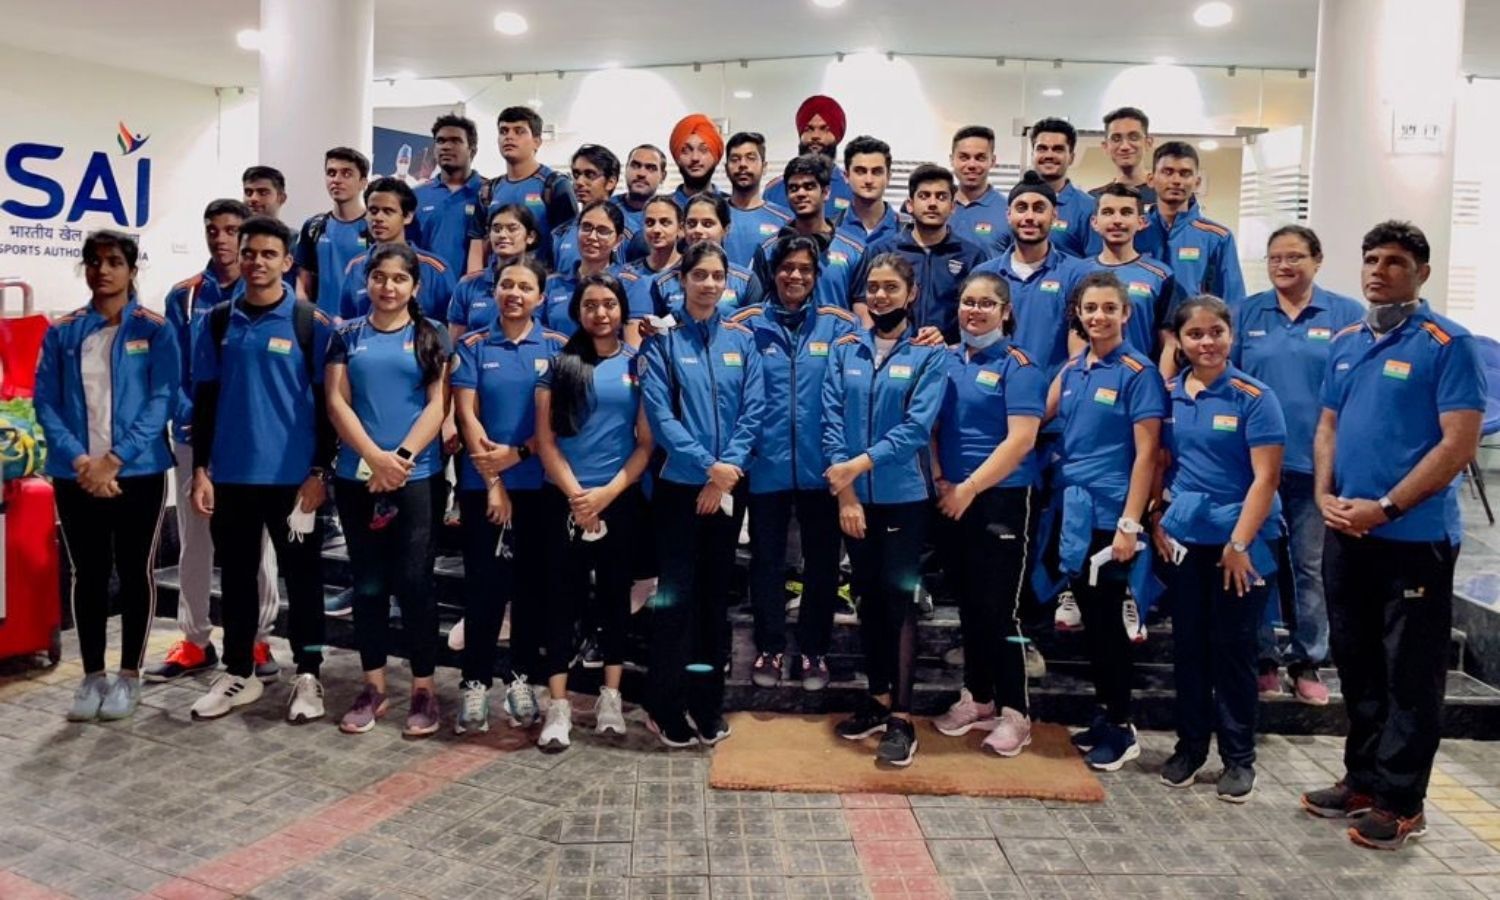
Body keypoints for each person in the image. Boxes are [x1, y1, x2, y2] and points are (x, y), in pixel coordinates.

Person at [1303, 221, 1486, 851]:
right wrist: (1324, 494)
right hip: (1347, 530)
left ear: (1421, 273)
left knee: (1409, 672)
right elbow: (1327, 426)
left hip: (1414, 539)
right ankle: (1363, 780)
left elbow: (1458, 444)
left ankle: (1403, 801)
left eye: (1395, 262)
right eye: (1371, 259)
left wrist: (1384, 507)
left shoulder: (1448, 344)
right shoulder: (1347, 340)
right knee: (1357, 662)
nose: (1379, 271)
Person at [188, 216, 337, 723]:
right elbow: (205, 400)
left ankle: (309, 674)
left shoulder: (311, 323)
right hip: (231, 476)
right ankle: (238, 672)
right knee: (236, 579)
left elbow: (329, 406)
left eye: (268, 254)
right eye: (249, 252)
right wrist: (201, 469)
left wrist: (320, 472)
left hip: (293, 481)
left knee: (304, 579)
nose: (256, 262)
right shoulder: (217, 321)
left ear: (287, 262)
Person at [36, 230, 179, 722]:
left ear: (132, 270)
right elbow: (46, 402)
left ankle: (129, 676)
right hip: (76, 475)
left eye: (114, 261)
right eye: (94, 261)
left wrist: (114, 459)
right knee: (89, 573)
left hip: (137, 472)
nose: (103, 270)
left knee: (135, 571)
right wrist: (81, 462)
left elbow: (162, 399)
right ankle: (92, 675)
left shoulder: (154, 330)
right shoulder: (63, 331)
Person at [1152, 294, 1285, 803]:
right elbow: (1161, 462)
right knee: (1189, 647)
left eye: (1216, 332)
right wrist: (1157, 519)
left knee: (1234, 650)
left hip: (1243, 542)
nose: (1206, 342)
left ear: (1231, 335)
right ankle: (1190, 748)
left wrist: (1239, 542)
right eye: (1195, 334)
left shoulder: (1255, 396)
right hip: (1187, 539)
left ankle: (1238, 758)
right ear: (1179, 341)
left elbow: (1266, 478)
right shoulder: (1168, 396)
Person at [147, 200, 281, 684]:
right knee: (195, 542)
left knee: (258, 544)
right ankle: (194, 640)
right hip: (195, 440)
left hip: (252, 445)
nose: (221, 239)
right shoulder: (184, 296)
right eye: (213, 230)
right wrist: (189, 417)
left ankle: (258, 638)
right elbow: (170, 369)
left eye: (231, 230)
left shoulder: (269, 294)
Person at [1039, 272, 1167, 770]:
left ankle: (1122, 725)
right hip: (1075, 510)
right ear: (1078, 313)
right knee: (1093, 622)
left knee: (1111, 624)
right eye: (1090, 308)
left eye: (1109, 308)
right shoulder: (1074, 369)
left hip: (1113, 515)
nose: (1099, 316)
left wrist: (1131, 524)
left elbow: (1148, 454)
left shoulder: (1139, 372)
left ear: (1126, 313)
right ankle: (1104, 714)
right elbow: (1038, 418)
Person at [1231, 225, 1363, 705]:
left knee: (1310, 566)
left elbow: (1357, 390)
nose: (1283, 266)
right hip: (1255, 468)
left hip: (1317, 466)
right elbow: (1231, 382)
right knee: (1259, 563)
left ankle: (1307, 660)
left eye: (1294, 257)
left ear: (1317, 260)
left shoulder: (1347, 315)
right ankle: (1263, 657)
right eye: (1275, 258)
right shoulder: (1246, 313)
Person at [640, 242, 765, 748]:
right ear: (682, 280)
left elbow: (753, 410)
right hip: (679, 488)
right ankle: (664, 704)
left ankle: (705, 703)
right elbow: (661, 418)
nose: (709, 284)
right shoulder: (662, 343)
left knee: (714, 601)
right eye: (700, 275)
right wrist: (706, 467)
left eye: (717, 276)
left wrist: (722, 474)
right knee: (676, 599)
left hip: (728, 487)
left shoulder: (742, 341)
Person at [823, 253, 945, 767]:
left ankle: (902, 717)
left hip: (903, 498)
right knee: (868, 600)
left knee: (898, 603)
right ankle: (876, 700)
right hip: (855, 500)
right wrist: (847, 492)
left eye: (891, 287)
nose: (880, 296)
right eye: (873, 287)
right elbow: (830, 419)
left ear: (911, 294)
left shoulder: (929, 353)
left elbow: (917, 428)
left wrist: (859, 465)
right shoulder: (846, 348)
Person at [325, 244, 452, 736]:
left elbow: (438, 404)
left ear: (414, 286)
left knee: (415, 582)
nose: (388, 287)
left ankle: (423, 689)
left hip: (416, 476)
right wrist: (373, 459)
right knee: (369, 583)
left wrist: (400, 459)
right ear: (368, 282)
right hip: (357, 476)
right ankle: (373, 685)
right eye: (379, 277)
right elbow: (337, 402)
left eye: (399, 279)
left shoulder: (431, 334)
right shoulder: (346, 336)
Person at [925, 271, 1045, 757]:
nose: (975, 311)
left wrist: (970, 488)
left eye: (986, 303)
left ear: (1005, 311)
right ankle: (978, 698)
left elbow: (1022, 439)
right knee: (970, 605)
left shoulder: (1020, 366)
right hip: (950, 496)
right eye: (968, 302)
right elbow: (932, 426)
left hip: (999, 499)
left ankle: (1016, 713)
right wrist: (940, 480)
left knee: (999, 609)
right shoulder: (946, 360)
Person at [732, 235, 859, 692]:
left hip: (823, 468)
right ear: (773, 272)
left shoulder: (840, 326)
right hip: (764, 466)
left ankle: (813, 651)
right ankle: (768, 646)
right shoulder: (745, 324)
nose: (795, 276)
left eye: (805, 268)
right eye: (787, 267)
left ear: (817, 275)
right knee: (766, 561)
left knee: (822, 564)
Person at [534, 274, 654, 750]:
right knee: (559, 601)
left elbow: (645, 443)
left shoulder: (638, 364)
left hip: (618, 498)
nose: (600, 313)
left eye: (609, 304)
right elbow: (546, 442)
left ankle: (611, 697)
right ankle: (558, 705)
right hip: (563, 499)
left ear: (622, 309)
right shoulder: (559, 365)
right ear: (577, 311)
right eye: (590, 305)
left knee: (614, 600)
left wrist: (606, 494)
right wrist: (577, 497)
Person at [451, 257, 562, 734]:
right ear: (494, 291)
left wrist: (518, 454)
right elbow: (466, 414)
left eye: (525, 287)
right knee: (484, 588)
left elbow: (560, 420)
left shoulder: (557, 347)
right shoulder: (473, 345)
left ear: (541, 296)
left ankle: (521, 679)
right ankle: (474, 683)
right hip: (484, 488)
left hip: (539, 486)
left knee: (531, 590)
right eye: (506, 285)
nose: (514, 293)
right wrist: (495, 481)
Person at [973, 171, 1093, 379]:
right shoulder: (983, 275)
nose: (1029, 217)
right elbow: (974, 342)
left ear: (1054, 215)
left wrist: (1055, 396)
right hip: (992, 392)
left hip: (1053, 393)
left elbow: (1081, 352)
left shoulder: (1078, 275)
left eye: (1039, 209)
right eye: (1021, 208)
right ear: (1008, 214)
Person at [856, 164, 989, 344]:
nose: (932, 203)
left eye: (941, 197)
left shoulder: (972, 257)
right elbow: (862, 302)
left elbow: (981, 313)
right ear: (910, 205)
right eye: (924, 196)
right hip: (893, 351)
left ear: (952, 206)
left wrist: (955, 343)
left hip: (949, 353)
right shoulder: (882, 251)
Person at [751, 155, 867, 318]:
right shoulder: (768, 250)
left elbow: (862, 311)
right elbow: (756, 308)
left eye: (809, 186)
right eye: (793, 188)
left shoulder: (855, 250)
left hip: (838, 334)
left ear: (826, 192)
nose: (801, 193)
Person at [467, 106, 577, 273]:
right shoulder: (488, 190)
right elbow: (477, 241)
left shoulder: (555, 185)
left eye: (519, 131)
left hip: (540, 282)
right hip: (496, 283)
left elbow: (569, 243)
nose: (509, 136)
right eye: (504, 131)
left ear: (537, 142)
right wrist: (473, 281)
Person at [1138, 142, 1245, 307]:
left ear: (1197, 182)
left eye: (1185, 174)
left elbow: (1234, 300)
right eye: (1167, 172)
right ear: (1151, 180)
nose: (1176, 180)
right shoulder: (1134, 231)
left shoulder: (1218, 238)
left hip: (1195, 323)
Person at [1083, 182, 1179, 367]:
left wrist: (1160, 381)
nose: (1117, 220)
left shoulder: (1160, 276)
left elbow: (1169, 342)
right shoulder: (1078, 272)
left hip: (1140, 377)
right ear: (1094, 222)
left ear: (1141, 222)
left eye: (1126, 212)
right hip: (1089, 378)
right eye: (1108, 212)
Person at [339, 177, 457, 321]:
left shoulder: (436, 270)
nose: (378, 218)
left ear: (407, 216)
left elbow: (452, 325)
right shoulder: (355, 267)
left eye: (388, 211)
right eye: (373, 211)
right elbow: (348, 322)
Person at [653, 192, 764, 314]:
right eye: (691, 224)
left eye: (707, 224)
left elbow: (755, 323)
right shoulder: (662, 283)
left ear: (726, 229)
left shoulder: (746, 282)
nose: (698, 230)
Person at [447, 204, 543, 339]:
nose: (502, 235)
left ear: (530, 236)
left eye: (512, 229)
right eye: (496, 229)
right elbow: (455, 343)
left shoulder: (544, 285)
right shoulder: (468, 285)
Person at [294, 146, 369, 315]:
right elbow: (302, 285)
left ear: (363, 182)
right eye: (331, 173)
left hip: (362, 324)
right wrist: (305, 319)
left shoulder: (375, 228)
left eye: (346, 174)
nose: (336, 180)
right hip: (320, 324)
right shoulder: (314, 227)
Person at [543, 201, 634, 337]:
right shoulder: (551, 284)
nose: (592, 237)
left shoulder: (629, 284)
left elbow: (633, 344)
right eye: (586, 227)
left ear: (618, 241)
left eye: (602, 231)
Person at [415, 114, 485, 277]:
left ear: (472, 150)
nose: (446, 147)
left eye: (455, 141)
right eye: (440, 141)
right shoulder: (416, 196)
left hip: (474, 289)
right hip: (427, 288)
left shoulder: (489, 193)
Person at [765, 94, 854, 219]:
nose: (815, 136)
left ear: (836, 136)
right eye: (809, 129)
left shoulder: (852, 189)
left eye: (824, 129)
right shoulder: (774, 191)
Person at [1027, 118, 1097, 258]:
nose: (1049, 155)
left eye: (1058, 149)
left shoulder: (1089, 207)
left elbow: (1095, 263)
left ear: (1071, 157)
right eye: (1042, 148)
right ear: (1032, 155)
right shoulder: (1016, 205)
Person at [722, 131, 792, 269]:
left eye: (751, 158)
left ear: (764, 167)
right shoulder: (713, 215)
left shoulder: (786, 219)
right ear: (726, 169)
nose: (742, 164)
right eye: (735, 159)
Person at [553, 145, 623, 277]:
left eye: (590, 175)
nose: (579, 182)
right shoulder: (560, 233)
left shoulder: (626, 231)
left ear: (611, 182)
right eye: (576, 175)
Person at [835, 135, 907, 248]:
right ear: (846, 176)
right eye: (860, 171)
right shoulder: (830, 229)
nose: (869, 180)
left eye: (877, 172)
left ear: (888, 177)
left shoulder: (910, 229)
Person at [949, 125, 1009, 256]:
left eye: (980, 158)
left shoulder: (1008, 211)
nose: (972, 165)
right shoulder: (937, 208)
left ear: (992, 161)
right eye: (964, 157)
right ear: (952, 160)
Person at [621, 195, 685, 318]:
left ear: (681, 229)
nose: (656, 230)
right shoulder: (626, 273)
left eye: (665, 223)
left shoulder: (692, 270)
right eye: (649, 223)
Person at [1089, 107, 1157, 207]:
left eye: (1133, 137)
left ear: (1148, 143)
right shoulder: (1093, 199)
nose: (1125, 146)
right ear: (1106, 146)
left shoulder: (1166, 193)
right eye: (1116, 139)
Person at [612, 144, 667, 261]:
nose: (641, 173)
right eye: (635, 166)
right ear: (626, 170)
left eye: (650, 168)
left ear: (663, 176)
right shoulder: (606, 209)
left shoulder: (672, 216)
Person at [668, 114, 724, 204]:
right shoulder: (660, 209)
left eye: (704, 150)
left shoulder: (731, 207)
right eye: (686, 150)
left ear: (715, 157)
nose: (695, 157)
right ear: (677, 158)